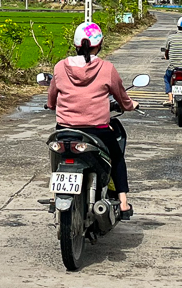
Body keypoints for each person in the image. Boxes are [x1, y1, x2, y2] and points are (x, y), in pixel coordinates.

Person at [47, 21, 138, 219]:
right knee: (117, 158)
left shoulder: (60, 67)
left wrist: (52, 105)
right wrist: (130, 106)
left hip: (65, 129)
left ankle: (56, 196)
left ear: (76, 44)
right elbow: (122, 97)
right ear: (100, 43)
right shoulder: (107, 68)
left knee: (57, 154)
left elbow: (52, 96)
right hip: (98, 130)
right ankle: (122, 202)